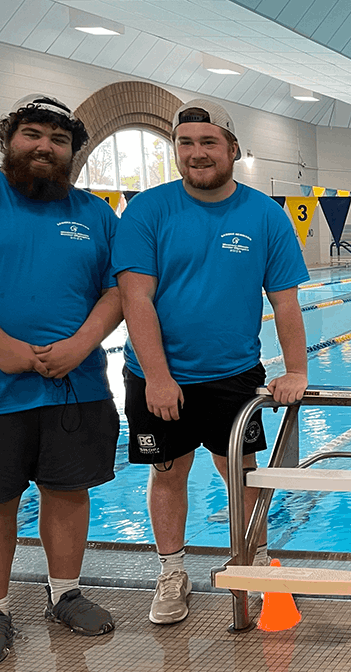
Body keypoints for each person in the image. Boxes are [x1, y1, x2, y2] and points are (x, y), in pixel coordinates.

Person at [114, 99, 309, 626]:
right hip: (157, 377)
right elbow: (136, 299)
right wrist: (157, 376)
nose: (196, 153)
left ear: (232, 149)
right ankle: (171, 572)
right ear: (175, 148)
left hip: (234, 375)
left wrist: (297, 371)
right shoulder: (148, 210)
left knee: (242, 475)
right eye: (185, 143)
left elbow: (285, 301)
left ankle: (256, 561)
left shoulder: (265, 215)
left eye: (208, 143)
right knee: (168, 471)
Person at [0, 94, 123, 659]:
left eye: (58, 139)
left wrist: (80, 344)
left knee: (67, 490)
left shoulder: (95, 214)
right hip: (3, 384)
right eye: (32, 134)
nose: (44, 147)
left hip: (77, 383)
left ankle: (65, 593)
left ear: (74, 151)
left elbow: (117, 290)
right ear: (9, 140)